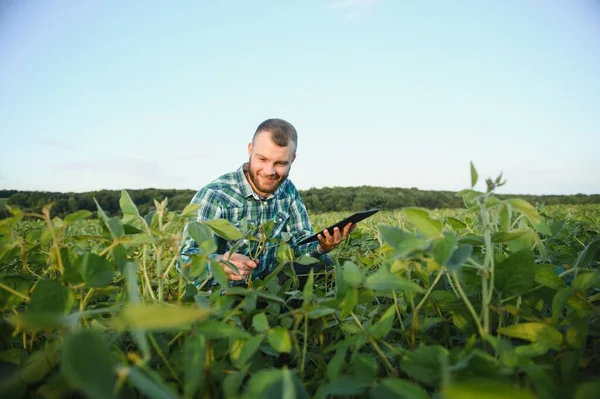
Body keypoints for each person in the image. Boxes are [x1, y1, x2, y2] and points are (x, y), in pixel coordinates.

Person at [180, 118, 354, 288]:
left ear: (292, 159)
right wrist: (217, 263)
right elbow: (184, 261)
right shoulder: (215, 195)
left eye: (280, 163)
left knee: (324, 264)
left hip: (267, 287)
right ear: (250, 150)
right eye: (262, 159)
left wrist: (322, 246)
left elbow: (300, 242)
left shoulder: (287, 190)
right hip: (224, 294)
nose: (269, 171)